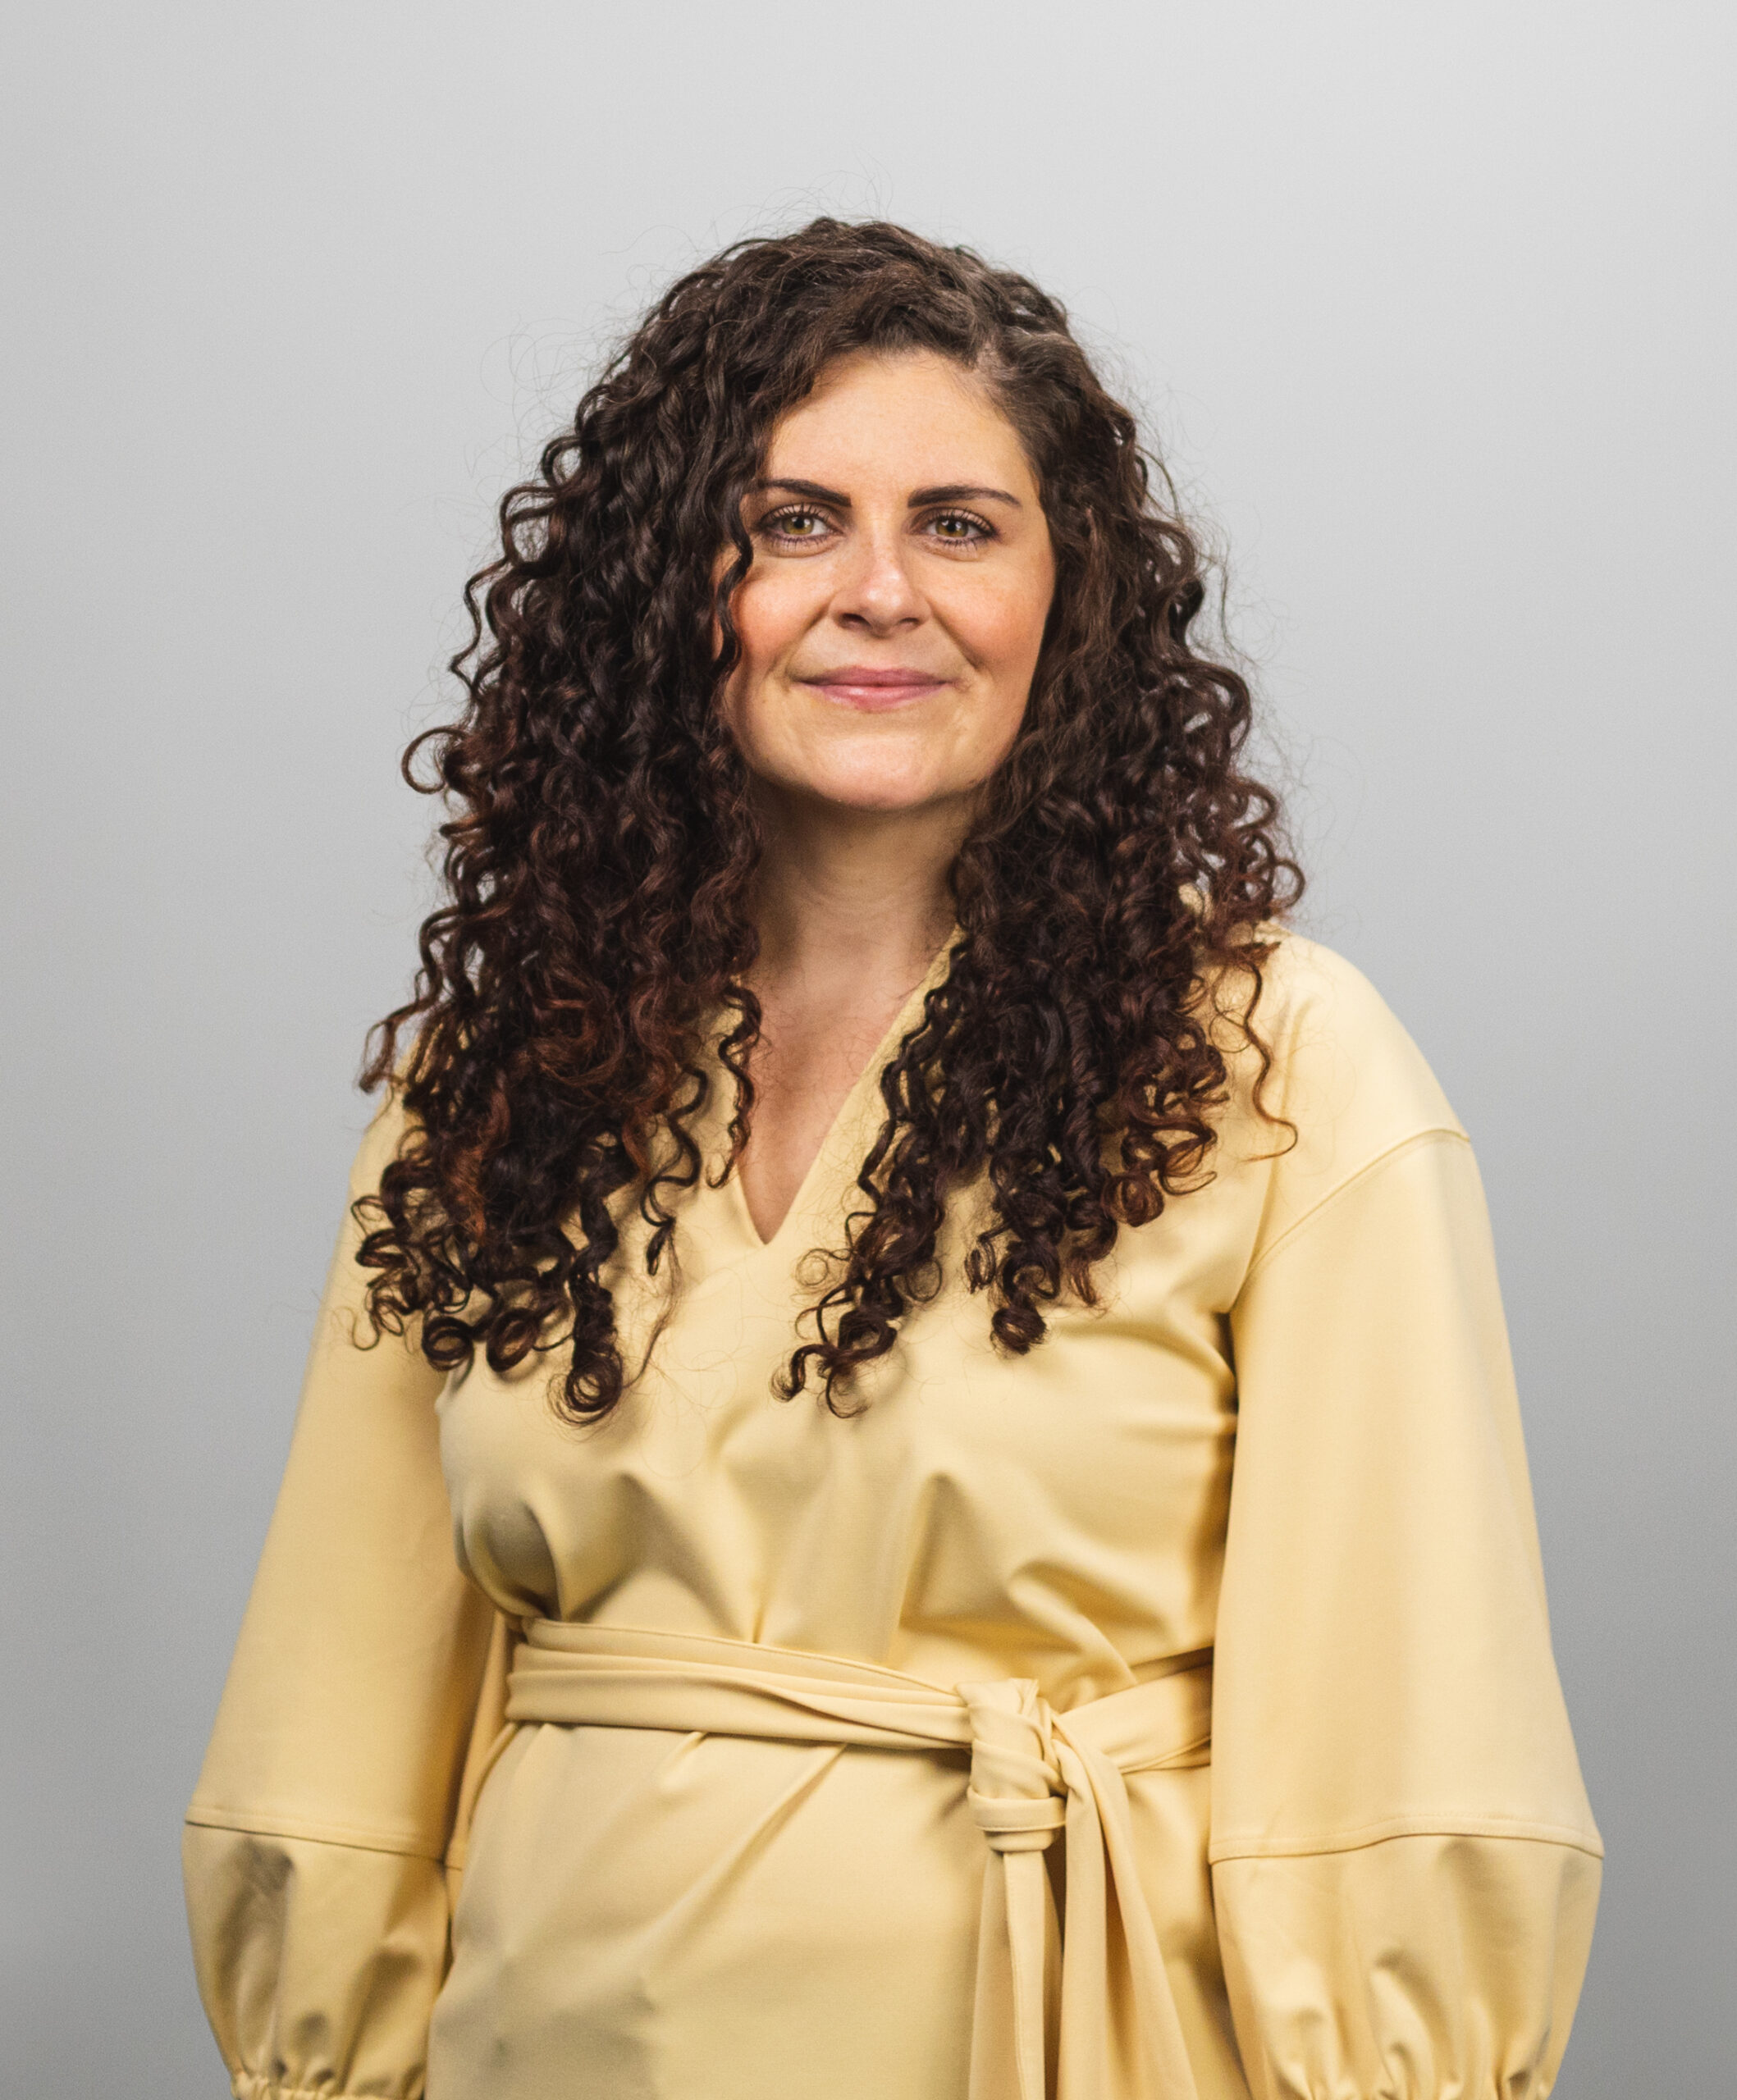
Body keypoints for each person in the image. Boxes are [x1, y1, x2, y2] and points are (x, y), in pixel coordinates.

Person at [183, 219, 1601, 2100]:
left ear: (1067, 592)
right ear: (667, 590)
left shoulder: (1278, 1069)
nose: (878, 592)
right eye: (790, 521)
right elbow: (335, 1716)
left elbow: (1411, 1731)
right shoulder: (503, 1079)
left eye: (958, 524)